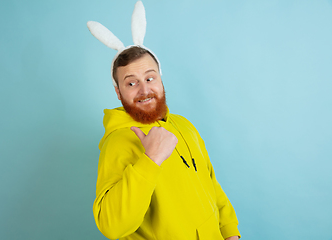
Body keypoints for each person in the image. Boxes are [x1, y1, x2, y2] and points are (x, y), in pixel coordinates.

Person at [88, 2, 241, 240]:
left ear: (160, 79)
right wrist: (150, 159)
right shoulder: (118, 142)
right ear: (118, 93)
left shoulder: (184, 125)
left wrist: (230, 232)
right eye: (131, 83)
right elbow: (111, 226)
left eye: (150, 78)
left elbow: (209, 182)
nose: (144, 89)